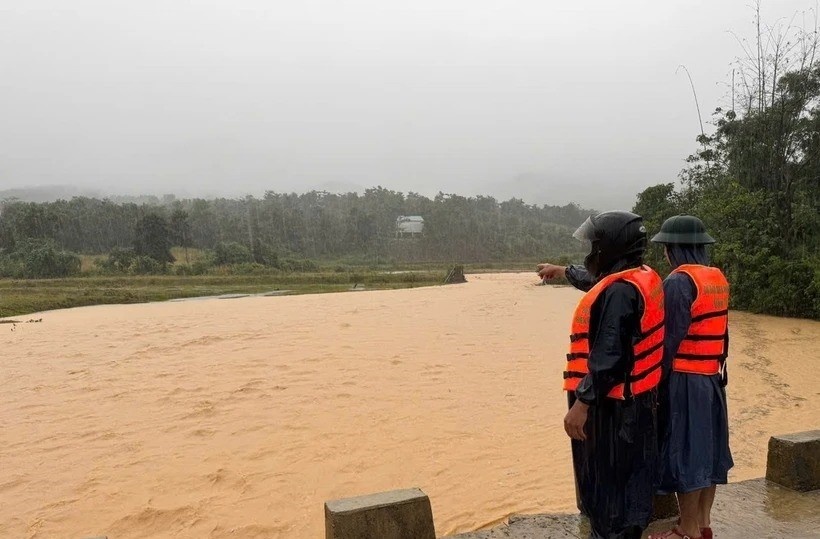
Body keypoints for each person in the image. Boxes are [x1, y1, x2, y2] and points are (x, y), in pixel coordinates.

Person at [558, 210, 665, 539]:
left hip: (613, 411)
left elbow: (609, 357)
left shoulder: (619, 294)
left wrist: (582, 403)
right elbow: (597, 282)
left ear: (611, 248)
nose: (590, 251)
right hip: (638, 402)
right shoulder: (640, 275)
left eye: (594, 245)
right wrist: (562, 272)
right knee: (631, 489)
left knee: (608, 494)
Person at [647, 216, 733, 539]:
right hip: (712, 379)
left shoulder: (678, 283)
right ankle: (703, 524)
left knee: (688, 454)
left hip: (686, 381)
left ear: (674, 250)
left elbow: (667, 342)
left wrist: (655, 385)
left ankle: (686, 530)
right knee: (709, 454)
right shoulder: (717, 278)